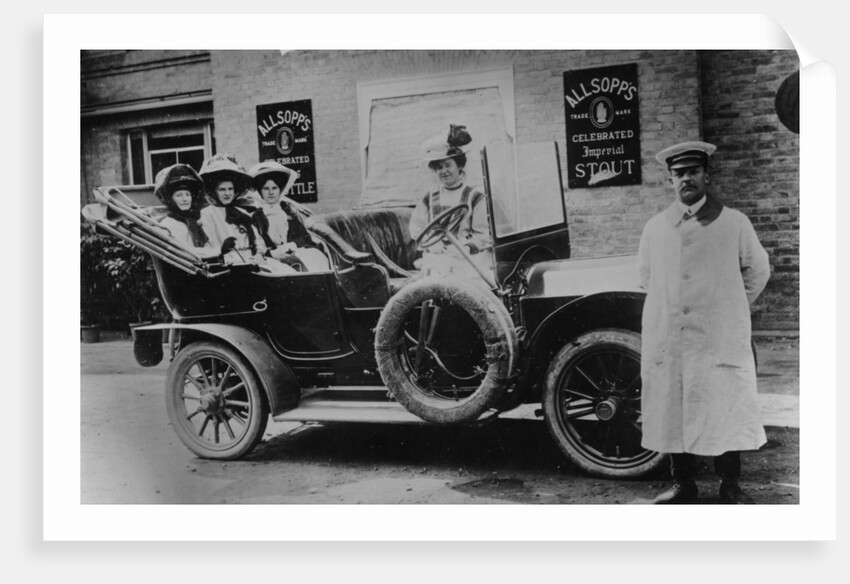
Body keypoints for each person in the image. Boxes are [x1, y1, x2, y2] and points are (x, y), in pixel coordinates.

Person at [637, 141, 771, 504]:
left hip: (718, 337)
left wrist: (729, 306)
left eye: (693, 171)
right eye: (679, 174)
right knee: (674, 407)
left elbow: (757, 271)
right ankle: (684, 484)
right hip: (674, 338)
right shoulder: (655, 228)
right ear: (670, 181)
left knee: (724, 405)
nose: (686, 179)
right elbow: (646, 277)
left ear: (706, 176)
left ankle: (731, 484)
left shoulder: (733, 223)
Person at [409, 124, 493, 281]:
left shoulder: (475, 198)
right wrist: (430, 243)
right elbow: (416, 228)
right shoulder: (428, 198)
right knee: (432, 283)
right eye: (439, 167)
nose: (443, 171)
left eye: (448, 165)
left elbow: (483, 235)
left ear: (460, 166)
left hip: (467, 259)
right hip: (436, 258)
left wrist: (466, 247)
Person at [198, 153, 293, 273]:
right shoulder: (207, 214)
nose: (227, 193)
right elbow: (208, 247)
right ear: (214, 191)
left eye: (230, 189)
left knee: (285, 272)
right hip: (229, 265)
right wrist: (222, 250)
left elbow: (258, 241)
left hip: (252, 261)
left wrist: (259, 254)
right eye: (222, 189)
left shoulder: (242, 212)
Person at [246, 160, 329, 271]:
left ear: (280, 190)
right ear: (260, 192)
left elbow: (304, 236)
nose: (271, 192)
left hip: (294, 251)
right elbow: (256, 244)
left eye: (274, 188)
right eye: (266, 189)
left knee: (317, 257)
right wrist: (272, 252)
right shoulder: (256, 216)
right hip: (272, 257)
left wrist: (292, 245)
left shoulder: (288, 211)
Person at [153, 164, 218, 259]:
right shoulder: (168, 224)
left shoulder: (197, 220)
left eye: (188, 194)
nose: (185, 199)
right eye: (179, 195)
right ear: (170, 199)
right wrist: (217, 252)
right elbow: (185, 253)